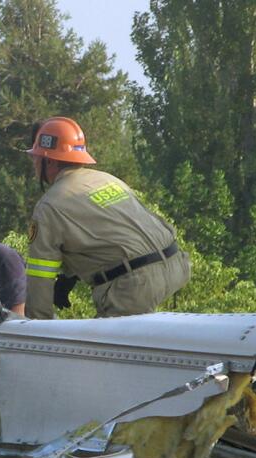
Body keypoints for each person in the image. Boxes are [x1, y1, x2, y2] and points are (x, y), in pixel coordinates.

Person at [24, 116, 190, 320]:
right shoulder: (108, 180)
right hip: (176, 264)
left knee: (99, 350)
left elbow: (40, 275)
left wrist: (37, 329)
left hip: (135, 286)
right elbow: (108, 236)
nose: (33, 164)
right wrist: (70, 276)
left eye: (35, 157)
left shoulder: (48, 207)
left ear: (48, 160)